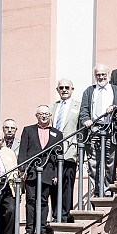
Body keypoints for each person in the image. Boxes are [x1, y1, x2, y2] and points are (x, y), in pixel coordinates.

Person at [79, 64, 117, 193]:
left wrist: (115, 108)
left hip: (110, 130)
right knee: (93, 163)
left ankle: (107, 189)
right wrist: (85, 120)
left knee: (110, 162)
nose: (101, 77)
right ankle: (97, 189)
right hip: (94, 130)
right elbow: (83, 109)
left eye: (103, 74)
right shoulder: (89, 91)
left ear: (108, 74)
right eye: (98, 74)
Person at [18, 106, 63, 234]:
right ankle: (29, 229)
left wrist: (56, 174)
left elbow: (59, 155)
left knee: (44, 201)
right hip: (31, 171)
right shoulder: (28, 130)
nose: (44, 116)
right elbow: (22, 152)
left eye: (47, 114)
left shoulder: (57, 133)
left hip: (48, 172)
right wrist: (22, 169)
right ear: (36, 115)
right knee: (31, 200)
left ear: (50, 116)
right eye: (41, 114)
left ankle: (42, 228)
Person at [50, 78, 80, 218]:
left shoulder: (78, 107)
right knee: (53, 185)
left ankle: (65, 214)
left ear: (72, 89)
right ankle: (55, 214)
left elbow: (81, 130)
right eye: (61, 87)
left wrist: (80, 153)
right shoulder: (51, 108)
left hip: (70, 151)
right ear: (57, 90)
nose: (64, 90)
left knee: (67, 184)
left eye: (67, 87)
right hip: (53, 152)